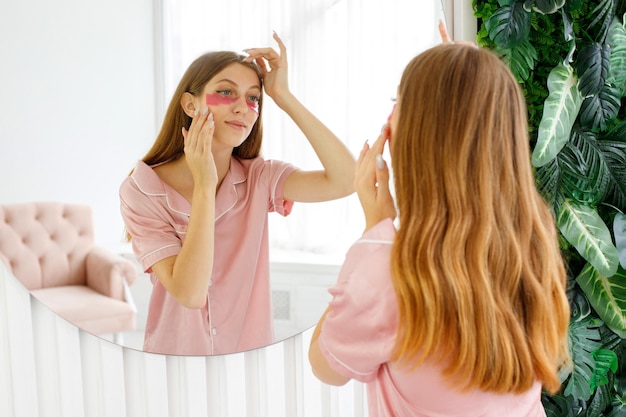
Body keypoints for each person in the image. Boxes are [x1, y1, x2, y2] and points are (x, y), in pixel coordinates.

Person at [308, 42, 571, 416]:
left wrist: (374, 229)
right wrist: (467, 78)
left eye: (398, 101)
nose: (389, 117)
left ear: (420, 131)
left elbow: (325, 366)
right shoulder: (532, 244)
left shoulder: (387, 271)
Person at [120, 33, 355, 356]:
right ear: (190, 104)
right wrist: (204, 186)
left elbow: (346, 180)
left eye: (253, 98)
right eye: (225, 92)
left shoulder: (259, 177)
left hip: (249, 359)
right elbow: (190, 293)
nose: (242, 108)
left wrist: (283, 95)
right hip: (176, 358)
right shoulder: (142, 189)